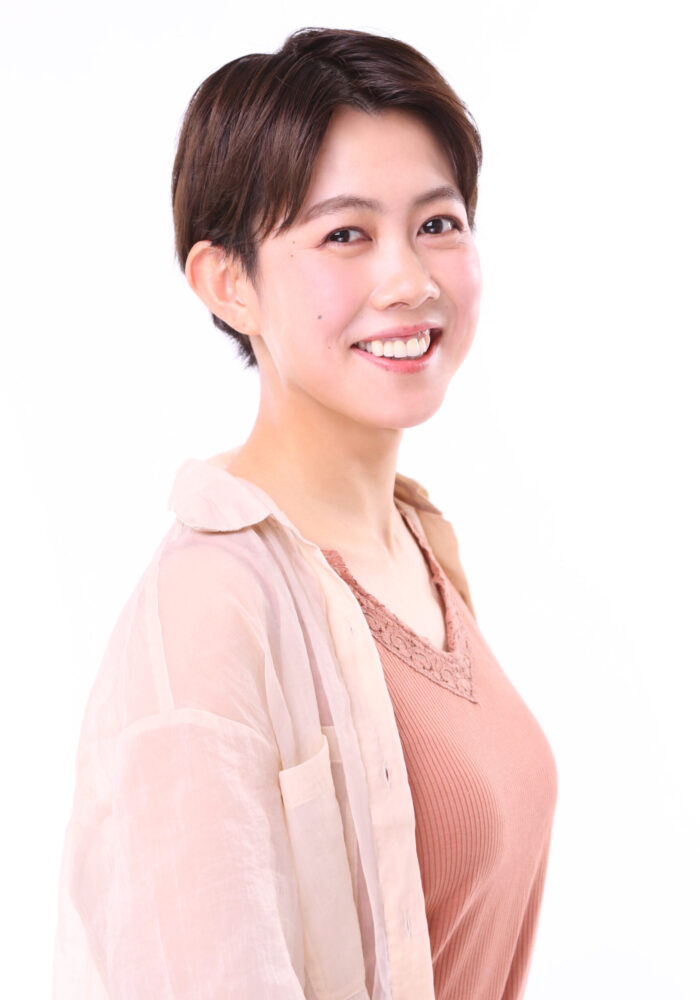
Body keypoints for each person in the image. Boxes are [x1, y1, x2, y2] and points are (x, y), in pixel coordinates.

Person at [52, 26, 558, 1000]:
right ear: (228, 281)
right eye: (345, 235)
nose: (409, 280)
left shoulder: (414, 546)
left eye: (437, 223)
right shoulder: (210, 609)